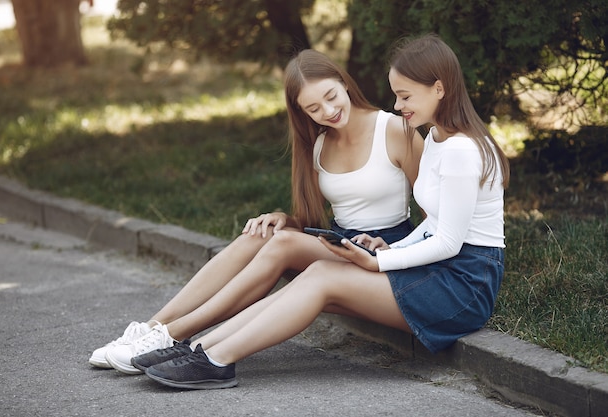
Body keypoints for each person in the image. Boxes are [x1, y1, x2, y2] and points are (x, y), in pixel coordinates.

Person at [135, 33, 511, 390]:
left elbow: (448, 241)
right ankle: (200, 349)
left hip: (463, 286)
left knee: (322, 278)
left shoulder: (462, 151)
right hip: (437, 271)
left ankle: (216, 359)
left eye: (405, 95)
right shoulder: (437, 139)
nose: (398, 105)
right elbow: (434, 224)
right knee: (318, 273)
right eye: (397, 95)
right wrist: (388, 249)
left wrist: (377, 263)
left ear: (439, 88)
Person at [90, 49, 423, 374]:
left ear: (344, 82)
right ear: (302, 112)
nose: (329, 110)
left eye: (331, 96)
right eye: (314, 108)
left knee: (281, 243)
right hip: (340, 243)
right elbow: (313, 221)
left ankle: (171, 336)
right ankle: (152, 328)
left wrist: (398, 253)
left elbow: (433, 214)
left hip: (385, 251)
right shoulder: (319, 144)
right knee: (261, 234)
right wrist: (285, 220)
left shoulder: (395, 130)